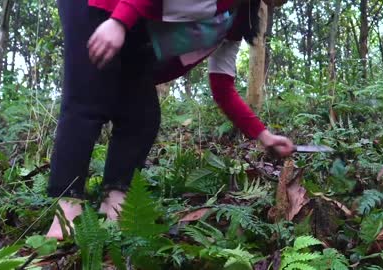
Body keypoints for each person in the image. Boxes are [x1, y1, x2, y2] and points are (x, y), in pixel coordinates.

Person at [46, 0, 294, 240]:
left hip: (133, 23)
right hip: (101, 6)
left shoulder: (237, 18)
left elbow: (223, 87)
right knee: (88, 96)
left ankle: (115, 206)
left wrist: (263, 135)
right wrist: (119, 22)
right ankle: (66, 211)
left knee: (142, 117)